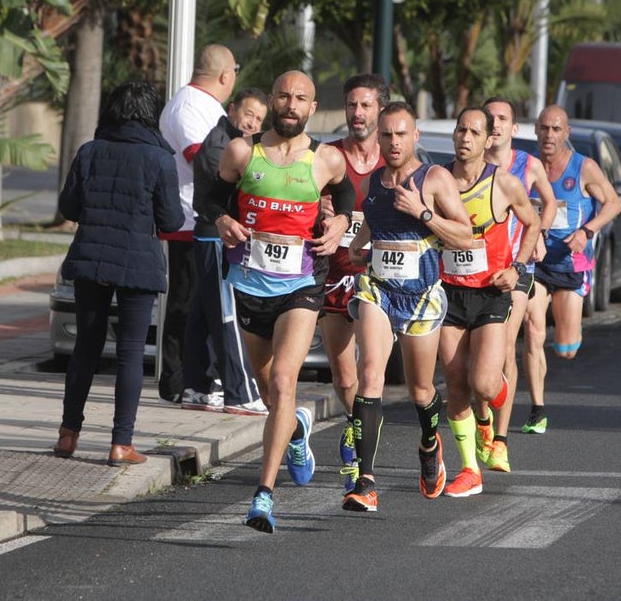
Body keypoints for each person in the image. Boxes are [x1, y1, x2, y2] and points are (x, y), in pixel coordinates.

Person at [199, 70, 352, 534]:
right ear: (271, 101)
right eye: (283, 95)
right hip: (250, 284)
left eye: (300, 98)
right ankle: (298, 429)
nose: (291, 104)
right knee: (270, 390)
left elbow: (346, 195)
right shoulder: (243, 152)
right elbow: (208, 197)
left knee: (285, 380)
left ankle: (263, 495)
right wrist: (223, 218)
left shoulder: (326, 159)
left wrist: (342, 221)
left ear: (312, 106)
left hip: (302, 285)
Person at [342, 102, 474, 513]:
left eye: (401, 134)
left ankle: (430, 443)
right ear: (378, 137)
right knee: (370, 375)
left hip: (420, 296)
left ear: (415, 136)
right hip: (378, 290)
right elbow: (372, 223)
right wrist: (358, 248)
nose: (394, 142)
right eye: (387, 135)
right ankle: (365, 482)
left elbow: (465, 237)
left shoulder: (434, 178)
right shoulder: (375, 183)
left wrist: (422, 212)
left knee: (420, 390)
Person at [53, 80, 184, 466]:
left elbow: (69, 207)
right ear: (150, 115)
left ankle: (68, 435)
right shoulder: (160, 160)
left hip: (91, 258)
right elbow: (172, 220)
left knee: (85, 349)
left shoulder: (89, 151)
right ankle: (120, 444)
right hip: (138, 264)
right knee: (129, 353)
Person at [437, 107, 541, 497]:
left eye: (474, 132)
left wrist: (516, 267)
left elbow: (531, 222)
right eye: (461, 130)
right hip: (449, 290)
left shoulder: (504, 184)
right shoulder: (437, 180)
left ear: (487, 140)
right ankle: (469, 469)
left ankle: (493, 409)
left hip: (491, 292)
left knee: (483, 381)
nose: (466, 137)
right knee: (456, 382)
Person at [523, 105, 621, 435]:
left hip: (571, 263)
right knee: (533, 330)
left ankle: (566, 336)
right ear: (536, 130)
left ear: (567, 133)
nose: (549, 135)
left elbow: (614, 203)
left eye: (555, 129)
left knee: (566, 349)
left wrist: (587, 231)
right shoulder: (528, 166)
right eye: (543, 128)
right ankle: (537, 410)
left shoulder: (584, 167)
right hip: (536, 262)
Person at [158, 44, 241, 404]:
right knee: (187, 303)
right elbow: (204, 161)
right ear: (226, 75)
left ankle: (200, 377)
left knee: (204, 305)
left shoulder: (207, 106)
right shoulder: (189, 105)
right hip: (191, 223)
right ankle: (178, 380)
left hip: (209, 222)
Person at [479, 97, 556, 472]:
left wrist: (537, 231)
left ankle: (500, 439)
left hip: (517, 267)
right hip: (476, 270)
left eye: (502, 119)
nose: (494, 124)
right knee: (474, 360)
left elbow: (549, 204)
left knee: (507, 344)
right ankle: (483, 418)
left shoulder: (529, 165)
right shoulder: (465, 169)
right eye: (489, 118)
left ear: (513, 129)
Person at [319, 73, 387, 493]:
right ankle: (352, 422)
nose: (357, 113)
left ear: (380, 109)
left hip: (375, 278)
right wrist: (319, 207)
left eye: (365, 106)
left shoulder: (392, 160)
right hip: (332, 274)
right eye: (351, 105)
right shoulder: (327, 157)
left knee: (369, 370)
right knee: (344, 379)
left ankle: (365, 470)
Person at [183, 88, 269, 415]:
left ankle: (198, 386)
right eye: (248, 114)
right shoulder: (221, 146)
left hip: (213, 237)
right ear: (232, 110)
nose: (252, 122)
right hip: (216, 236)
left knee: (203, 314)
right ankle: (240, 392)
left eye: (259, 119)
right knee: (226, 314)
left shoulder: (234, 143)